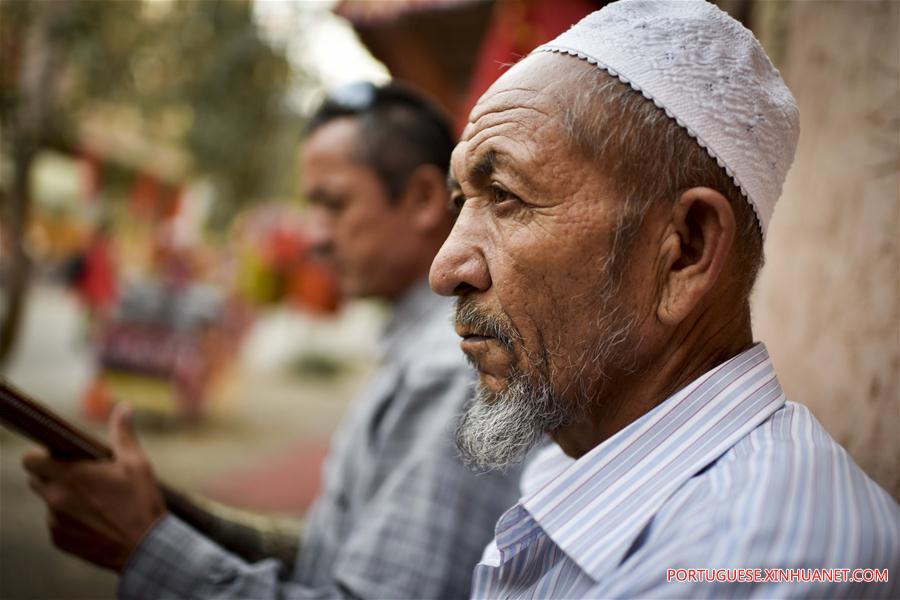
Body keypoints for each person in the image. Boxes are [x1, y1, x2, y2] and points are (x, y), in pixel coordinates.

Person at [427, 1, 900, 597]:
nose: (445, 269)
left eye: (505, 195)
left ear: (685, 251)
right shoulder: (575, 458)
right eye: (459, 203)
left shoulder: (757, 558)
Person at [23, 82, 522, 599]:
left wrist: (144, 546)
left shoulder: (451, 368)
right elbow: (335, 553)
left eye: (334, 205)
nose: (315, 235)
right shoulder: (423, 348)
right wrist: (166, 516)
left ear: (422, 198)